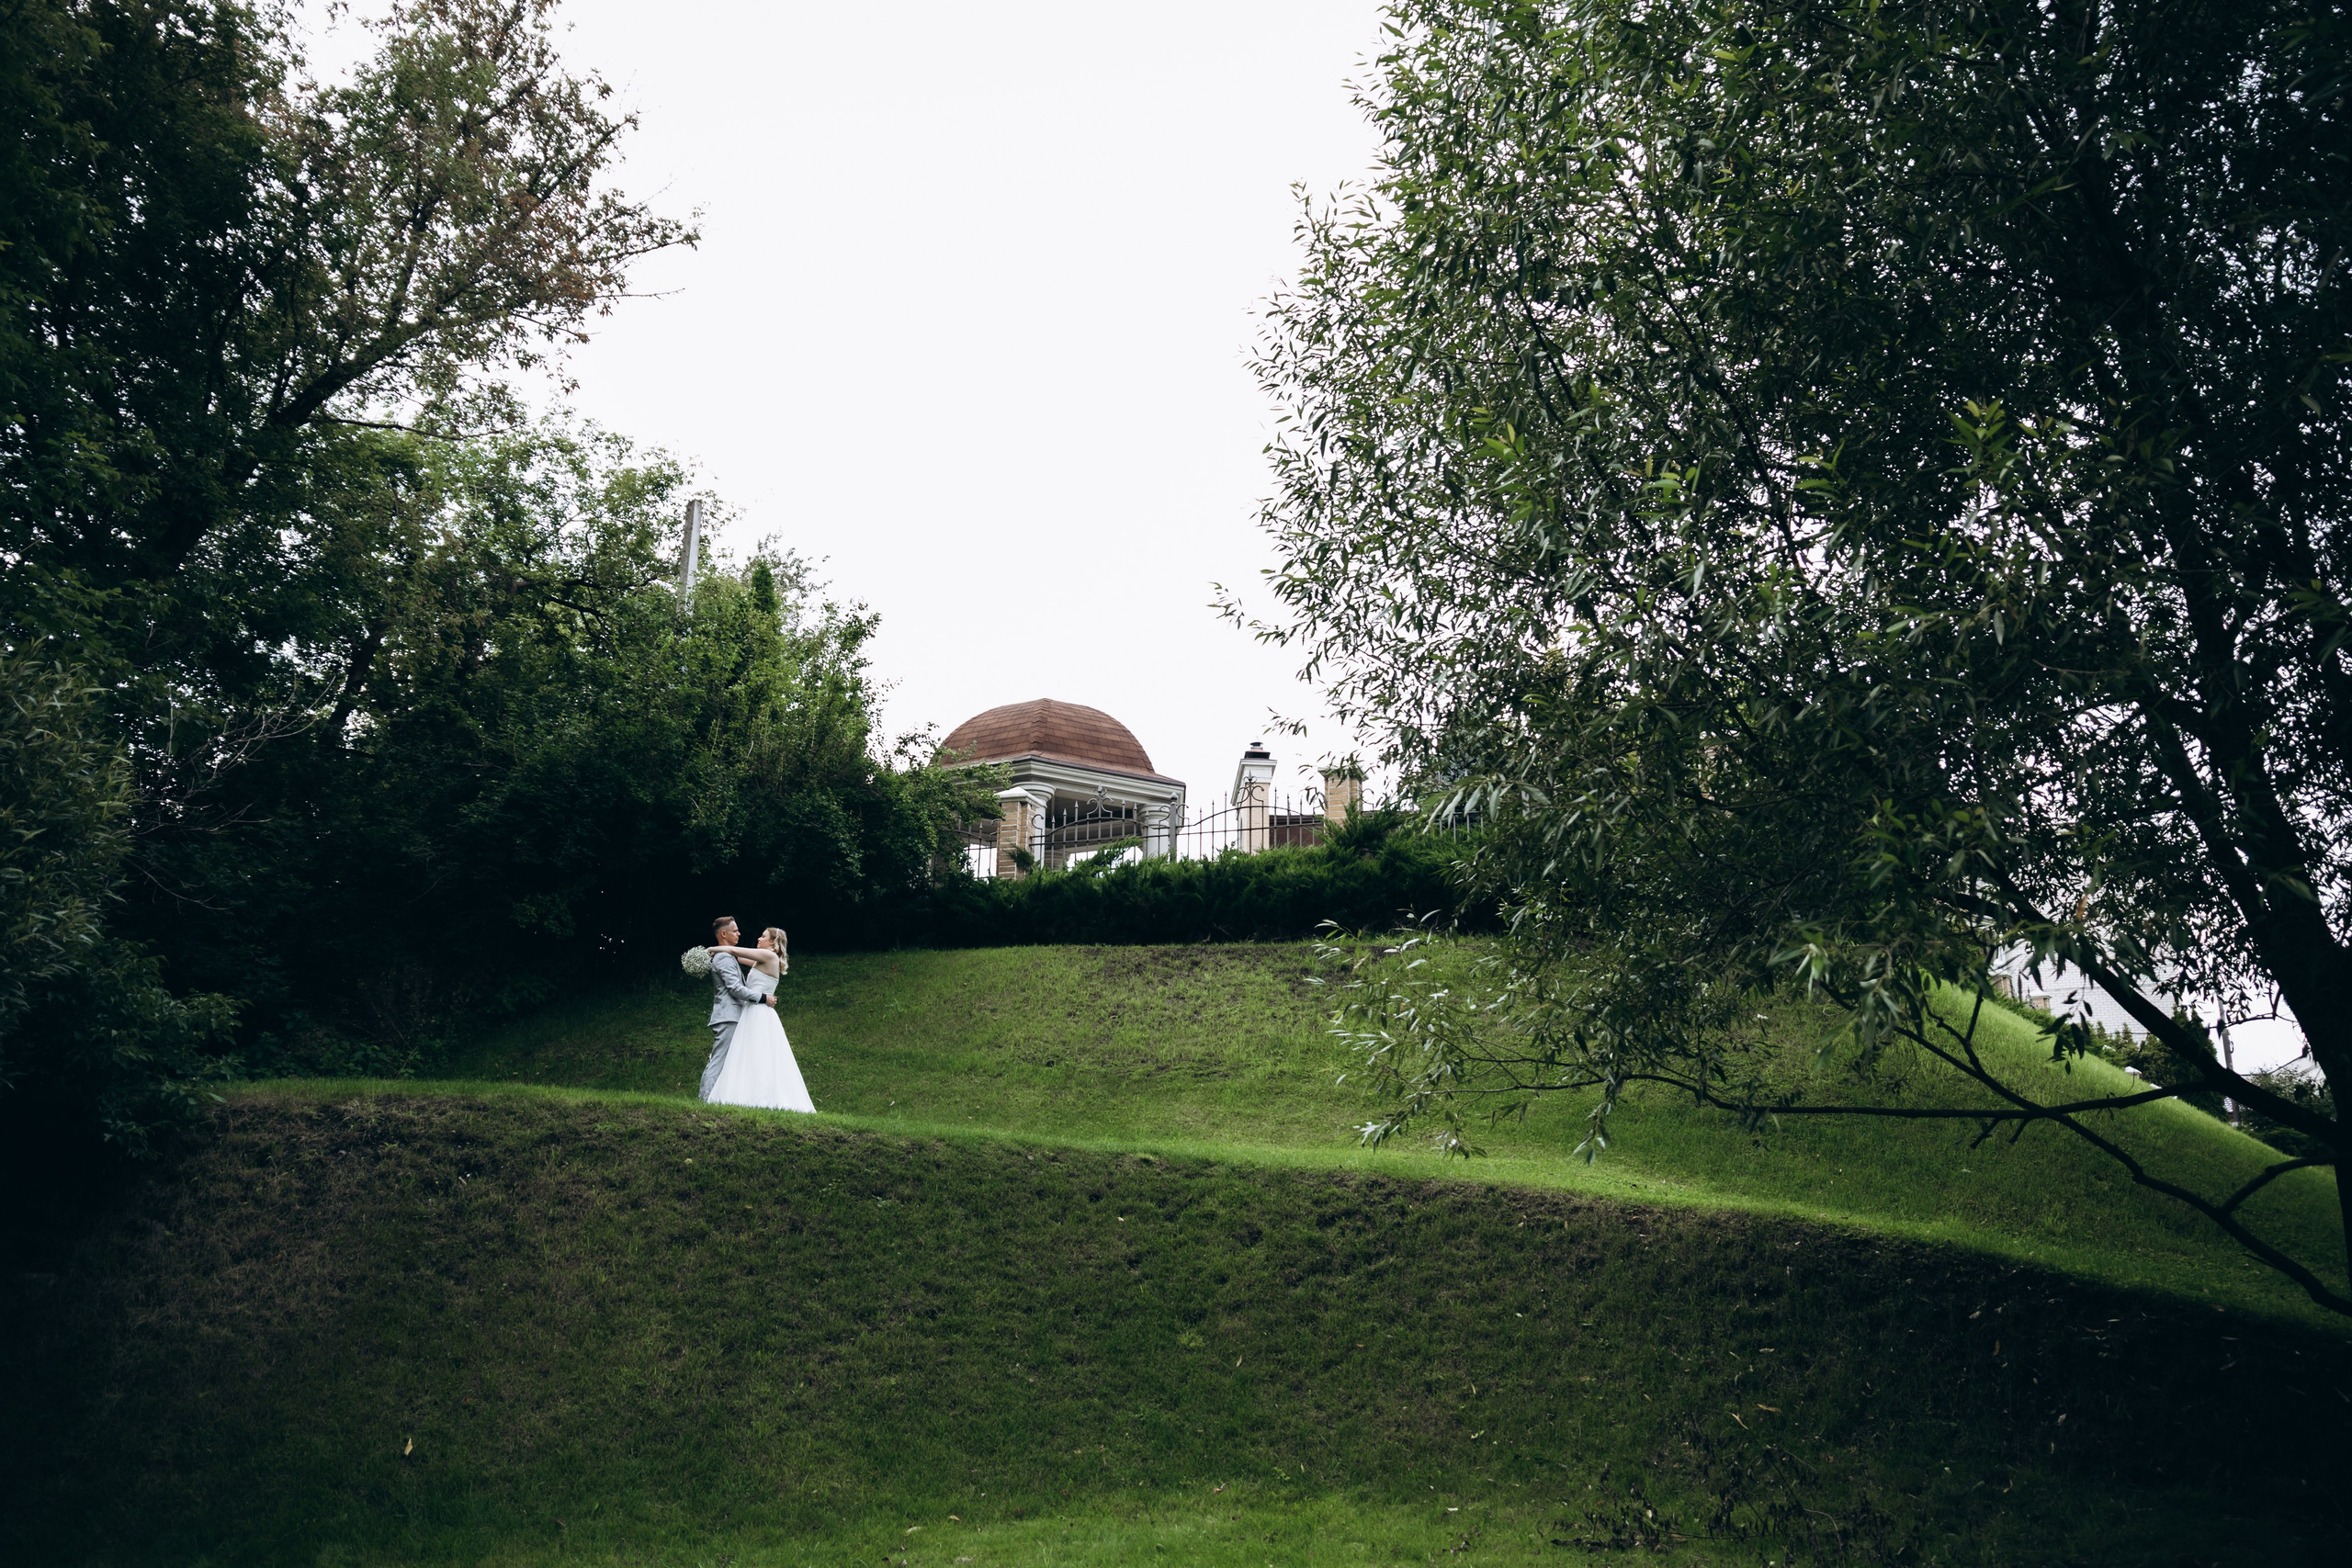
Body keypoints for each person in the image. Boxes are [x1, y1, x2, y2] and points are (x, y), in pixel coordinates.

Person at [701, 925, 814, 1112]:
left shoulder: (769, 956)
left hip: (759, 1011)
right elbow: (735, 956)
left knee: (759, 1054)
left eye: (763, 937)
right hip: (751, 1010)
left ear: (772, 942)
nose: (758, 939)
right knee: (748, 1054)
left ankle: (762, 1097)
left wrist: (712, 949)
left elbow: (734, 950)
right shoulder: (760, 960)